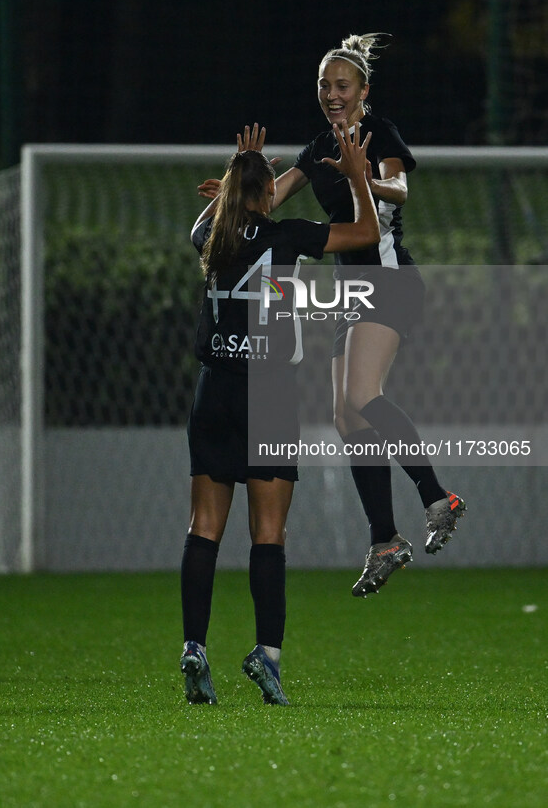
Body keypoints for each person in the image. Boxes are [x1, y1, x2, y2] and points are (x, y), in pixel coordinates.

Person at [199, 33, 466, 599]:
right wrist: (230, 191)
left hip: (390, 281)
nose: (331, 94)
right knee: (347, 417)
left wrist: (359, 175)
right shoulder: (317, 146)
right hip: (354, 294)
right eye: (324, 85)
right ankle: (385, 539)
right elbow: (268, 201)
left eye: (342, 85)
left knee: (363, 396)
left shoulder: (379, 134)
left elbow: (399, 190)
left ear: (364, 91)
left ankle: (437, 495)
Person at [181, 120, 379, 705]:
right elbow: (365, 230)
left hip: (212, 391)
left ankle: (195, 647)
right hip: (267, 394)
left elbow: (222, 215)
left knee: (203, 529)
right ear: (268, 194)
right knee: (268, 533)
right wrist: (359, 178)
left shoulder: (208, 238)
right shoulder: (288, 236)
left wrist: (245, 175)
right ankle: (267, 657)